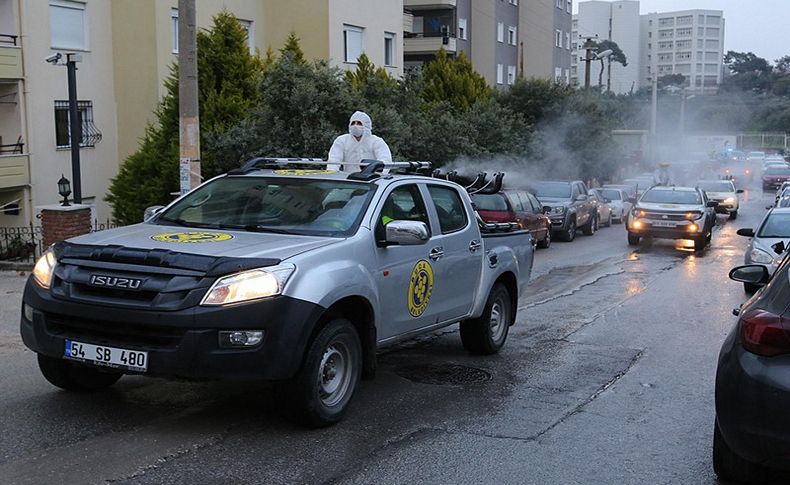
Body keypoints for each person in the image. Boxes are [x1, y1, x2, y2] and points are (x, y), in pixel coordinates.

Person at [328, 111, 392, 170]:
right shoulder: (342, 140)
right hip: (349, 179)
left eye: (359, 123)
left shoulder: (376, 142)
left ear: (366, 125)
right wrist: (331, 173)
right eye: (353, 123)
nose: (355, 126)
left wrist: (379, 174)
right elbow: (334, 160)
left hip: (372, 180)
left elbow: (385, 160)